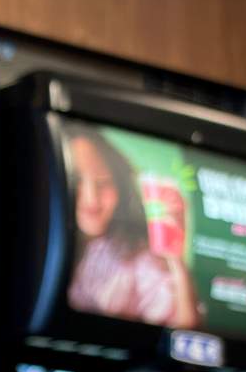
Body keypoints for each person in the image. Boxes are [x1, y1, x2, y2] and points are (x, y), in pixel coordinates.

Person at [65, 126, 200, 328]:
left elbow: (185, 329)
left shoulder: (132, 258)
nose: (91, 200)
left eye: (103, 183)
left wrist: (175, 260)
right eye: (77, 182)